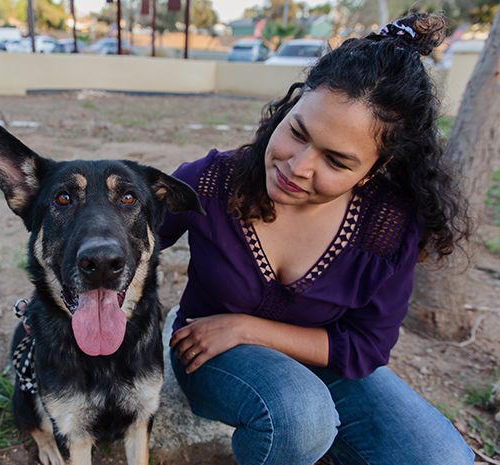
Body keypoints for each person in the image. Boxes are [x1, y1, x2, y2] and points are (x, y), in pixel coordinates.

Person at [160, 12, 475, 465]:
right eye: (298, 132)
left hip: (325, 366)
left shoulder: (387, 226)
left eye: (336, 161)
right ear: (290, 106)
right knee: (301, 416)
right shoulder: (211, 182)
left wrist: (247, 326)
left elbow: (368, 346)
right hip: (214, 356)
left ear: (376, 170)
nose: (298, 166)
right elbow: (125, 239)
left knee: (443, 458)